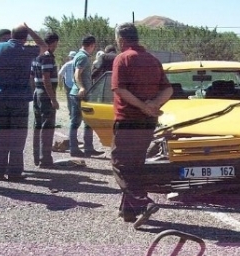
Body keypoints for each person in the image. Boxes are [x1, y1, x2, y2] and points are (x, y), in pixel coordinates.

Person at [110, 23, 173, 223]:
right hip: (148, 122)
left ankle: (142, 201)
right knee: (135, 164)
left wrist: (141, 106)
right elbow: (168, 90)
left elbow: (120, 89)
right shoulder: (153, 60)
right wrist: (153, 105)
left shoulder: (123, 58)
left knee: (119, 163)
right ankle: (128, 211)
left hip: (128, 120)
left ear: (121, 39)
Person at [0, 23, 47, 181]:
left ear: (11, 34)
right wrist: (31, 30)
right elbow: (44, 46)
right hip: (19, 98)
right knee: (18, 135)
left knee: (1, 133)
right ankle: (14, 171)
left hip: (0, 96)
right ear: (25, 37)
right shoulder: (26, 51)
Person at [68, 35, 104, 157]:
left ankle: (88, 147)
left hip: (80, 93)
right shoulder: (83, 57)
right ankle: (75, 148)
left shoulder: (80, 55)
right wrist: (82, 87)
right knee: (77, 122)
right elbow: (77, 74)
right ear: (91, 45)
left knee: (87, 121)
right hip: (80, 94)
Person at [31, 33, 60, 168]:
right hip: (45, 93)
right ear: (52, 43)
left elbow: (31, 77)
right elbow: (46, 79)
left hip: (37, 91)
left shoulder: (36, 56)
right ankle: (45, 158)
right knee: (47, 127)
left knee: (38, 125)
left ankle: (37, 156)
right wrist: (53, 99)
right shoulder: (47, 56)